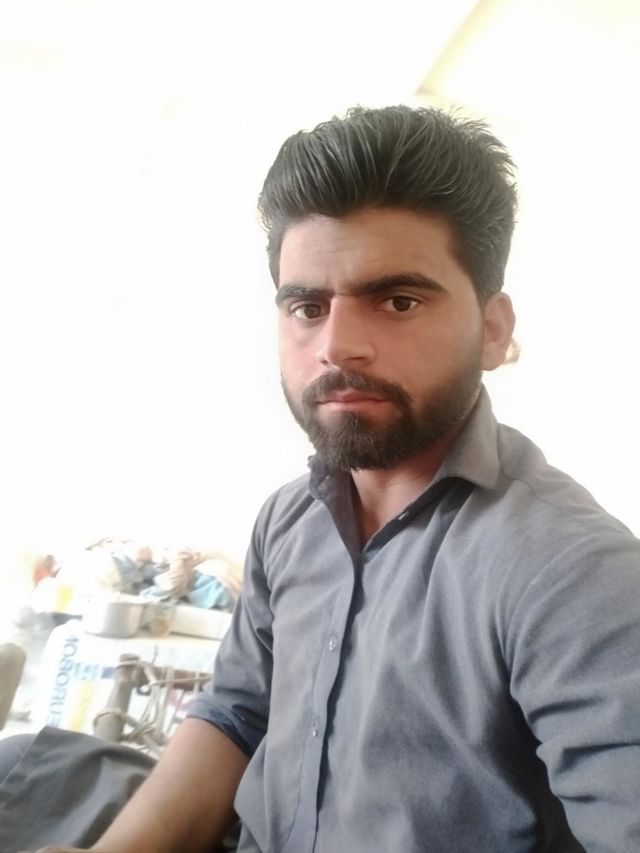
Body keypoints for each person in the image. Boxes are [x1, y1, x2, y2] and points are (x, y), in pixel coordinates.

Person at [16, 104, 640, 852]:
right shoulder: (288, 521)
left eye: (398, 301)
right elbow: (237, 712)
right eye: (307, 307)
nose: (338, 345)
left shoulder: (572, 571)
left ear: (494, 329)